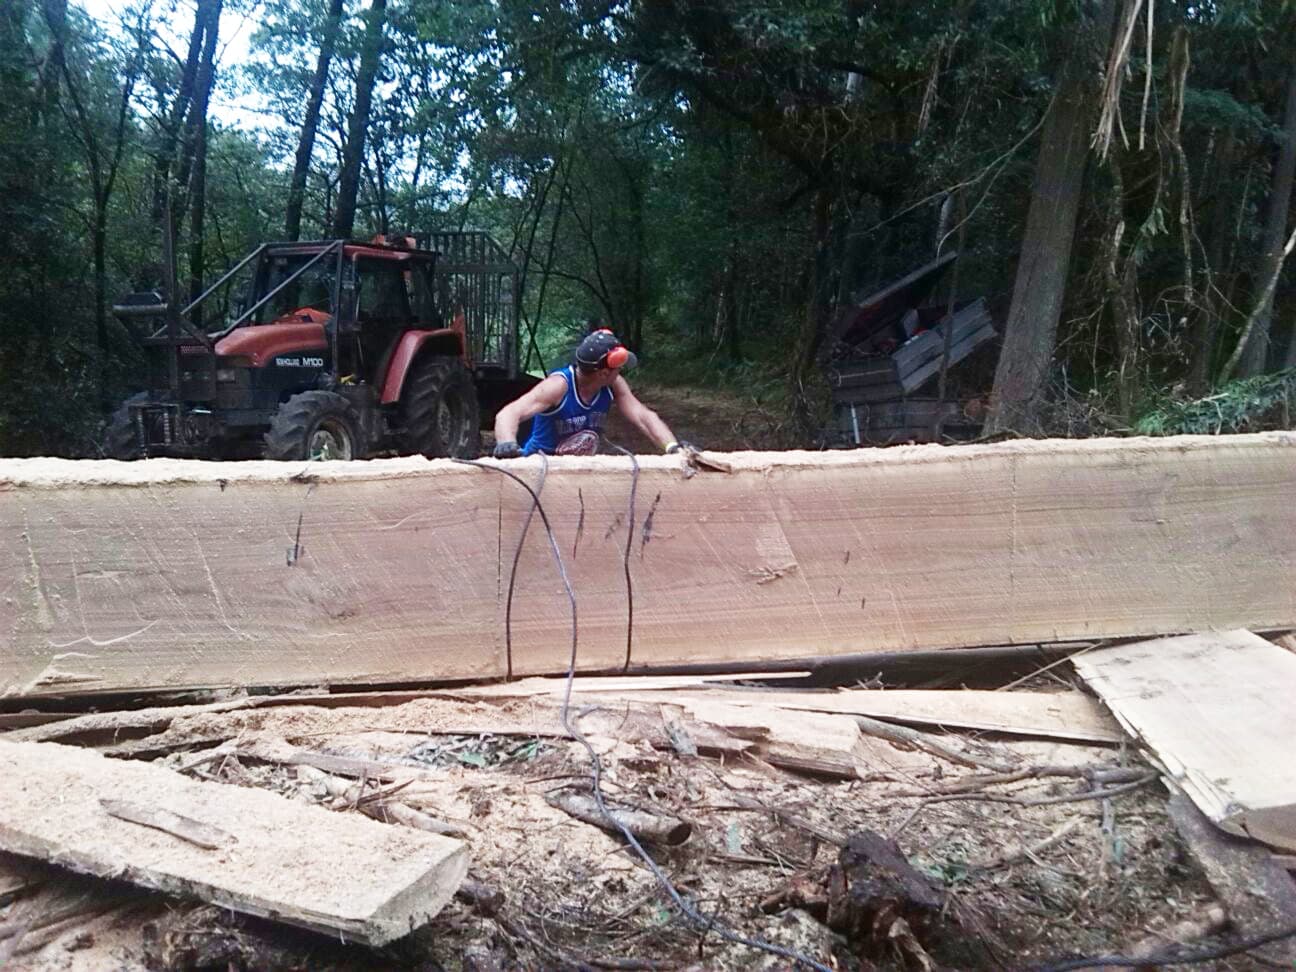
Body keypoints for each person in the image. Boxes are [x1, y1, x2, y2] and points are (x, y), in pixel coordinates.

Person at [492, 329, 686, 458]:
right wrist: (507, 444)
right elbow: (508, 413)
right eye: (619, 368)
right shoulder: (558, 386)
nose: (621, 373)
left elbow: (643, 416)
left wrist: (672, 448)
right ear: (603, 373)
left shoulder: (613, 384)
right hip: (541, 469)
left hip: (580, 472)